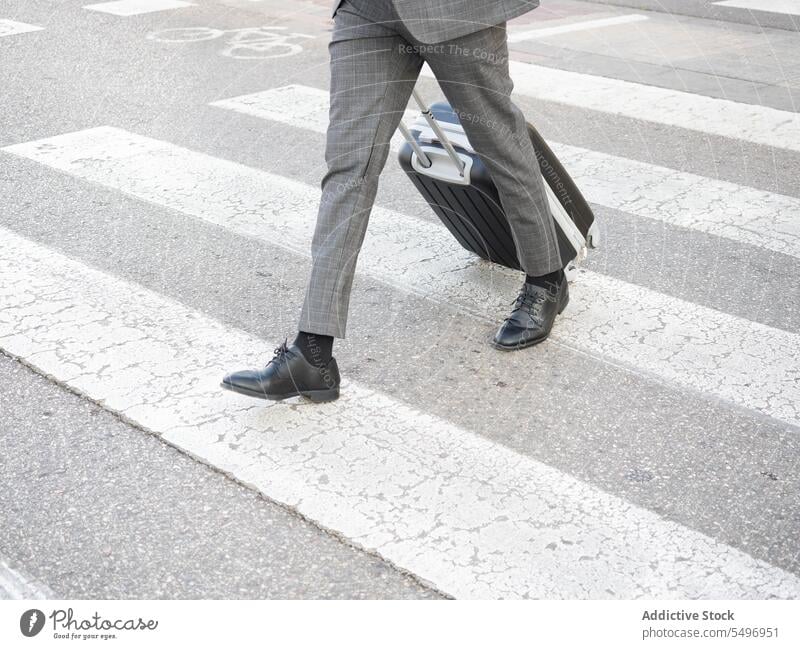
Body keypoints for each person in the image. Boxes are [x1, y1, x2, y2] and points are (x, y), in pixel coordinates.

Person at [221, 0, 566, 402]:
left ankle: (547, 279)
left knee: (498, 142)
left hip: (454, 8)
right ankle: (313, 353)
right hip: (367, 9)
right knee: (349, 164)